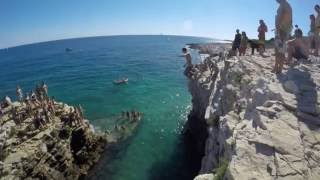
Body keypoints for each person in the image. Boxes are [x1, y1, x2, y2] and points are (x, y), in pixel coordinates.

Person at [273, 0, 292, 74]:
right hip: (285, 29)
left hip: (281, 29)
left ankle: (278, 69)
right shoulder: (287, 4)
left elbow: (280, 16)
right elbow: (290, 20)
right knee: (281, 49)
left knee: (279, 50)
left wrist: (277, 30)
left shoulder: (283, 4)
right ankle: (277, 67)